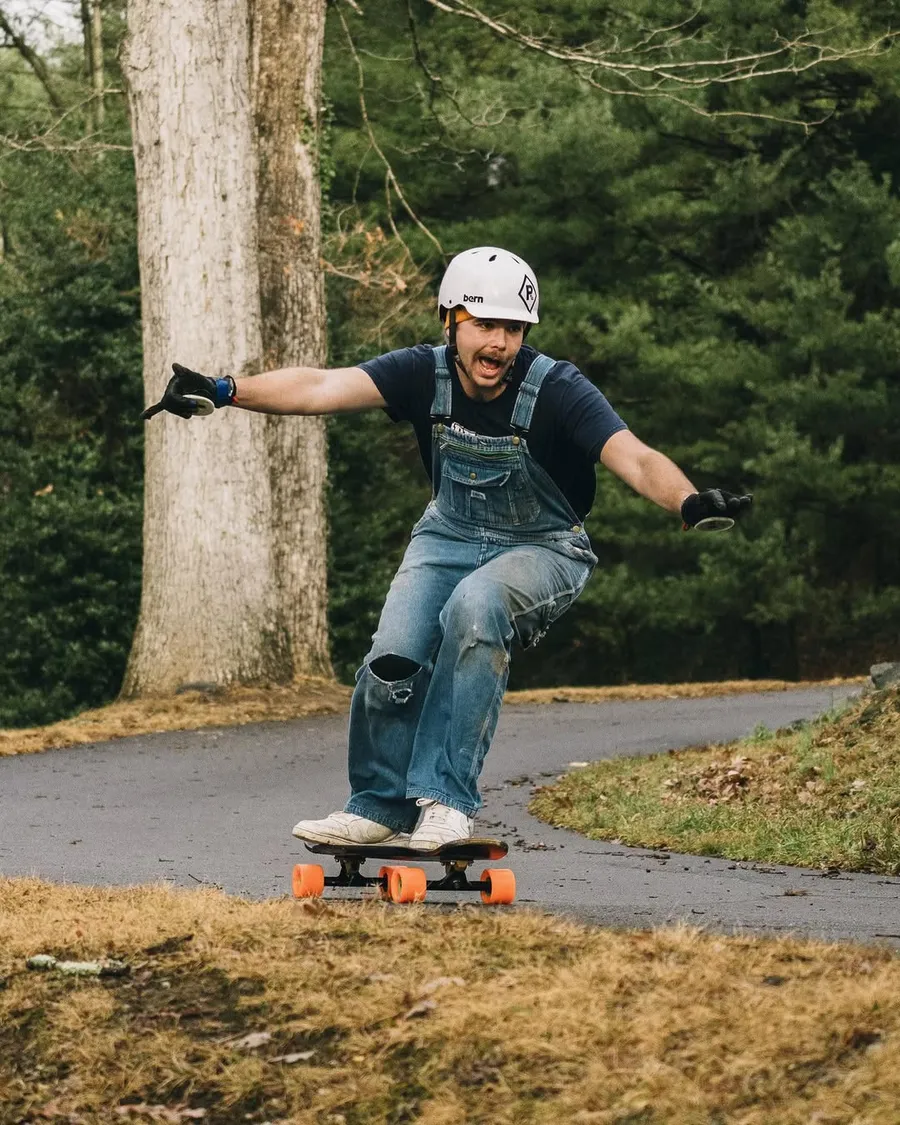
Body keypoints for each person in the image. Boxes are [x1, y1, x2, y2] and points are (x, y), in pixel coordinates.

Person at [144, 246, 751, 851]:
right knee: (393, 658)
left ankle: (446, 803)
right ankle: (379, 806)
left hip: (544, 547)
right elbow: (322, 387)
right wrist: (225, 390)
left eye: (513, 329)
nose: (500, 344)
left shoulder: (558, 389)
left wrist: (688, 501)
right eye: (485, 325)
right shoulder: (419, 373)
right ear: (450, 320)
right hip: (448, 534)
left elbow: (635, 456)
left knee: (476, 605)